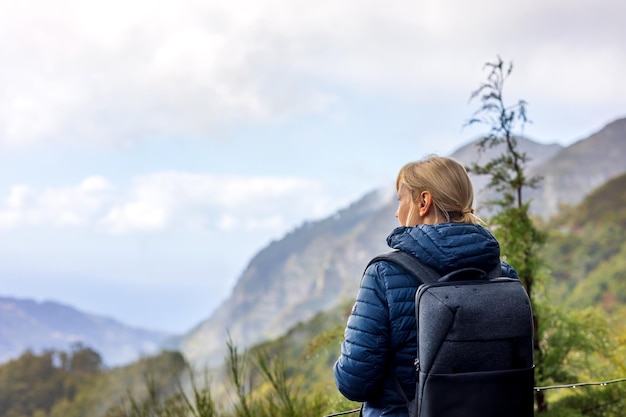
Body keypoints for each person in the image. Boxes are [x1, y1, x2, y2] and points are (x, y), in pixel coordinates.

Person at [333, 154, 518, 417]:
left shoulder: (384, 275)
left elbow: (354, 383)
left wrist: (352, 331)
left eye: (400, 200)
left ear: (423, 201)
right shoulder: (504, 275)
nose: (397, 213)